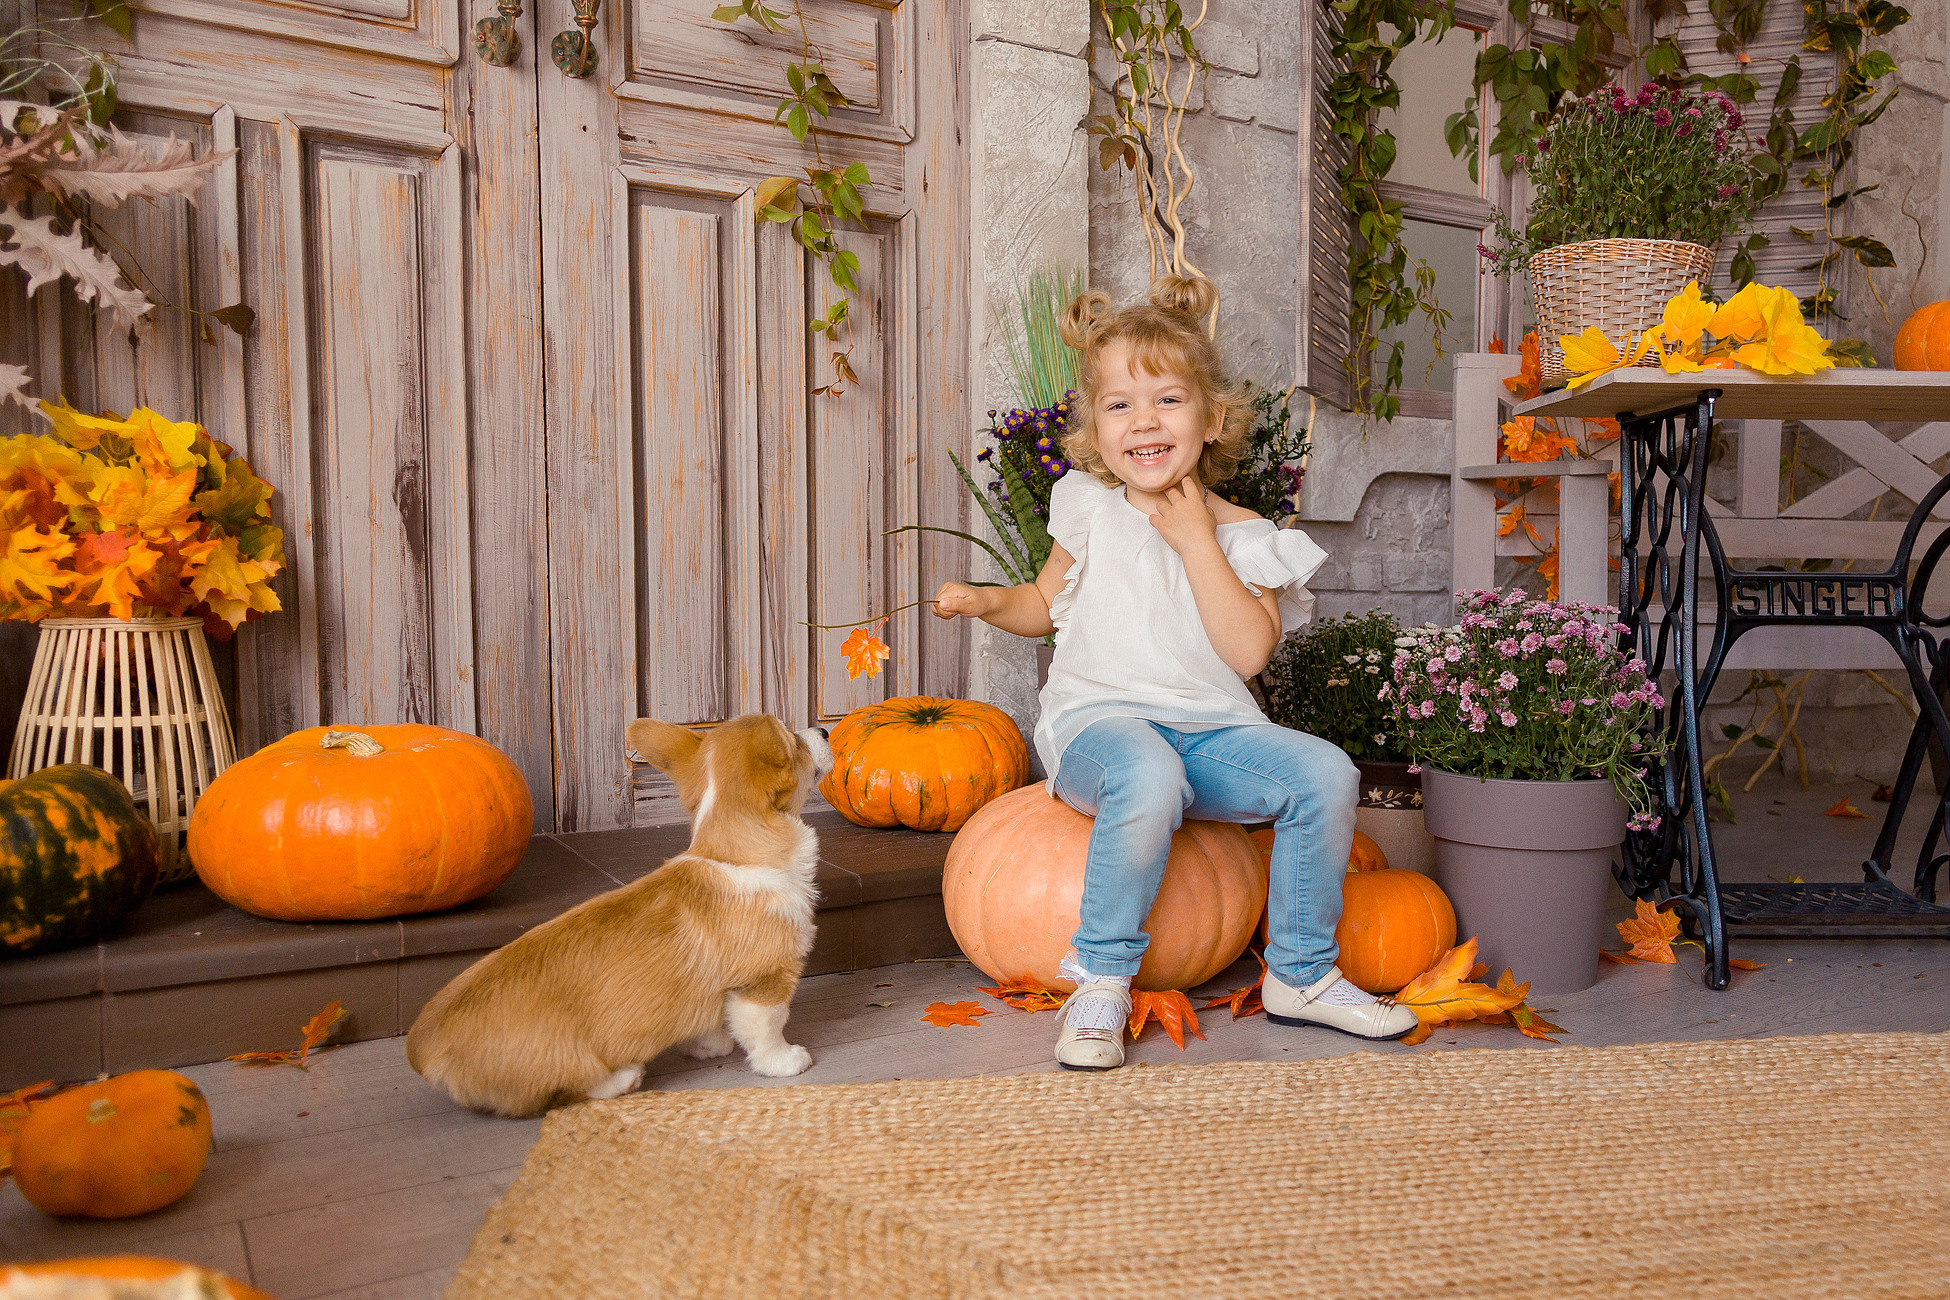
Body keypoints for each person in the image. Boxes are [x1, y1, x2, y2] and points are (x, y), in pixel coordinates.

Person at [932, 276, 1417, 1069]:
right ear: (1096, 430)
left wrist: (1197, 539)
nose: (1145, 421)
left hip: (1210, 734)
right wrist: (989, 601)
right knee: (1148, 772)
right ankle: (1101, 979)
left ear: (1211, 419)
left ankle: (1301, 975)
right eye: (1120, 405)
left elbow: (1249, 652)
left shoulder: (1248, 534)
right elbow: (1043, 604)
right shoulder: (1089, 507)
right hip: (1100, 728)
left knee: (1325, 773)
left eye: (1167, 400)